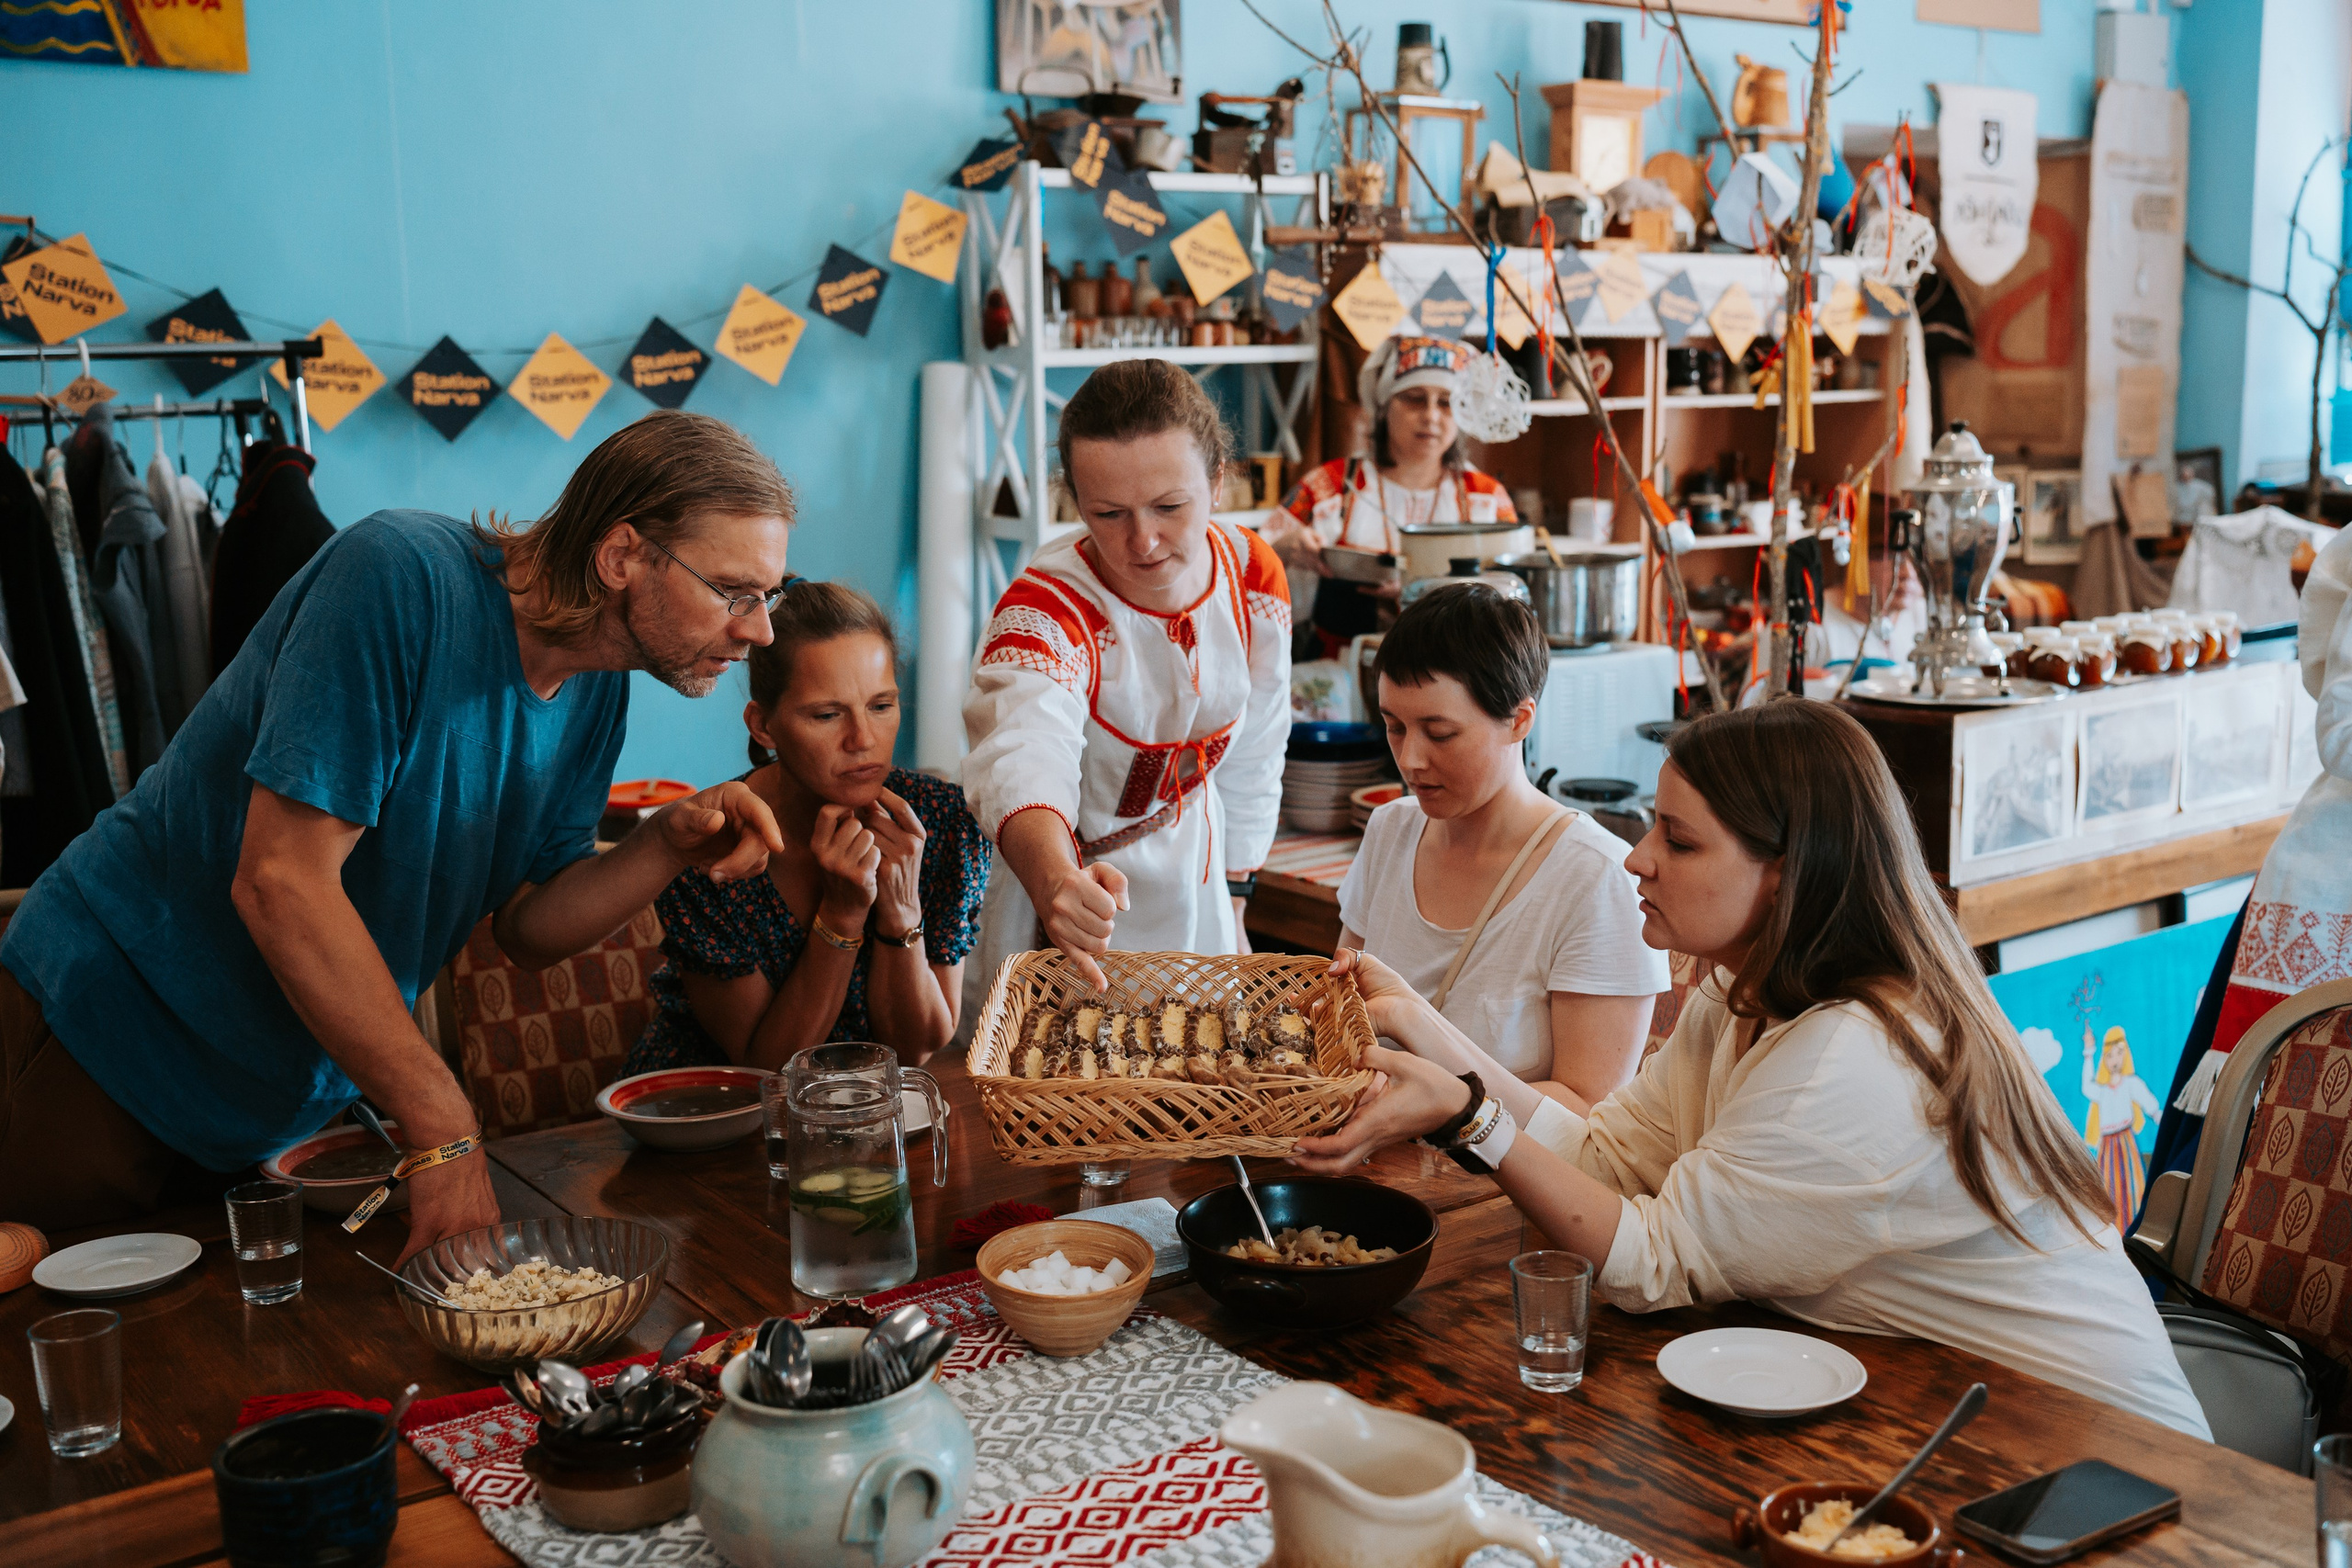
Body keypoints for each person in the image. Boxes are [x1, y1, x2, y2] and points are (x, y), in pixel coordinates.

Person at [1296, 702, 2211, 1438]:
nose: (1637, 858)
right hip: (1934, 1413)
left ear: (1785, 874)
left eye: (1680, 842)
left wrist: (1469, 1120)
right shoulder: (1740, 993)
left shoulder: (1851, 1060)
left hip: (2101, 1458)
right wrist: (1423, 1027)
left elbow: (1647, 1265)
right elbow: (1608, 1159)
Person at [0, 412, 794, 1258]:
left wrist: (664, 842)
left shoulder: (598, 690)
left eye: (768, 596)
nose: (760, 631)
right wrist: (442, 1117)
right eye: (732, 592)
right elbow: (280, 880)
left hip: (269, 1115)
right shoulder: (398, 578)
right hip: (101, 1041)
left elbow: (529, 925)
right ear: (622, 556)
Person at [962, 358, 1291, 990]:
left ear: (1219, 482)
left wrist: (1237, 894)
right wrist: (1056, 881)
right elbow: (1021, 754)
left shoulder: (1253, 578)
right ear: (1076, 501)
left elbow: (1257, 749)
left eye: (1169, 505)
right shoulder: (1047, 610)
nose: (1143, 541)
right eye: (1108, 513)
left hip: (1202, 885)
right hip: (1078, 902)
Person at [625, 581, 988, 1073]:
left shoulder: (943, 822)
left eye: (881, 706)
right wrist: (840, 914)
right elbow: (766, 1068)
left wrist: (900, 906)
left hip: (869, 1114)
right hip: (713, 1119)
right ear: (764, 726)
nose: (863, 740)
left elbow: (917, 1049)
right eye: (826, 714)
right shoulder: (711, 843)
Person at [1338, 583, 1666, 1109]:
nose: (1411, 760)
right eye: (1395, 728)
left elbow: (1586, 1110)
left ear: (1519, 719)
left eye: (1440, 733)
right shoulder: (1391, 830)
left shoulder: (1594, 876)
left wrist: (1433, 1110)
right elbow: (1342, 1019)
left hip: (1498, 1186)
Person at [1269, 334, 1519, 654]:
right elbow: (1248, 573)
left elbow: (1512, 601)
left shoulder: (1487, 501)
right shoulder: (1329, 487)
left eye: (1446, 402)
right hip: (1341, 675)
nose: (1431, 415)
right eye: (1414, 398)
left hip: (1454, 675)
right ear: (1384, 406)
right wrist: (1284, 550)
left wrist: (1424, 592)